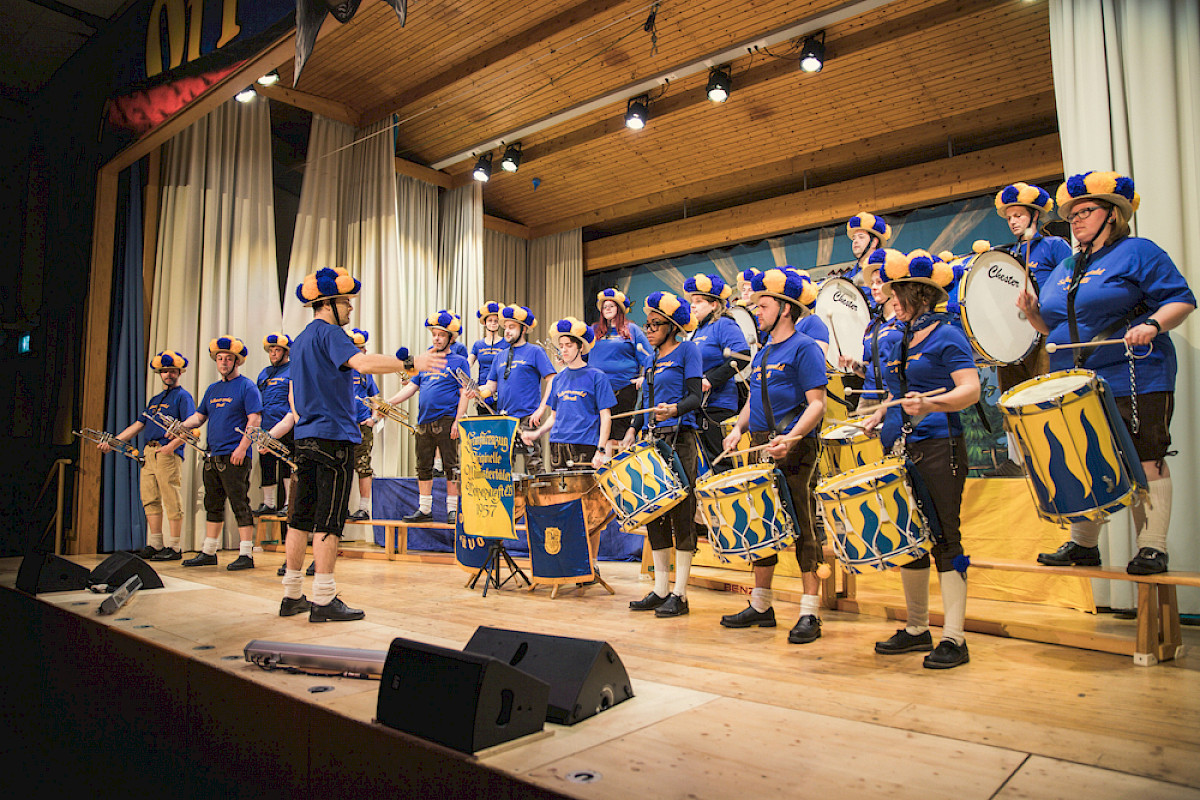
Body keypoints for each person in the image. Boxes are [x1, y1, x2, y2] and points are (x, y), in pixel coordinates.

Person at [1017, 171, 1195, 575]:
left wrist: (1153, 325)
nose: (1075, 220)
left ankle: (1152, 547)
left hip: (1134, 372)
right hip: (1074, 382)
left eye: (1085, 211)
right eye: (1072, 214)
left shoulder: (1138, 251)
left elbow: (1181, 300)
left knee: (1145, 457)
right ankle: (1084, 546)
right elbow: (1053, 326)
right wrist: (1032, 313)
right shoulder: (1067, 265)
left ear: (1112, 214)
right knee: (1086, 458)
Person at [270, 267, 444, 622]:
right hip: (333, 437)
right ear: (328, 304)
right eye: (346, 302)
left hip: (305, 437)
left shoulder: (300, 340)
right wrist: (412, 362)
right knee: (329, 521)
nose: (350, 308)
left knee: (299, 518)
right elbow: (362, 363)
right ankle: (323, 599)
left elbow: (294, 394)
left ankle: (292, 595)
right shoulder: (332, 333)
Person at [864, 250, 981, 669]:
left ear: (920, 295)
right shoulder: (897, 337)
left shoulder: (947, 335)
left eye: (898, 293)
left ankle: (955, 638)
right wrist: (881, 413)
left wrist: (931, 404)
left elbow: (970, 389)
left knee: (947, 540)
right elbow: (897, 393)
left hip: (939, 446)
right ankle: (917, 629)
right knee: (910, 541)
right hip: (900, 448)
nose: (891, 299)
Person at [718, 268, 828, 643]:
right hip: (761, 445)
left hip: (795, 447)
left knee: (803, 526)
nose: (757, 312)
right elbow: (754, 399)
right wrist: (738, 429)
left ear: (785, 308)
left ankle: (810, 613)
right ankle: (761, 606)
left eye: (763, 306)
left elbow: (817, 404)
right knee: (761, 524)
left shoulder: (805, 347)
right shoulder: (764, 351)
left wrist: (793, 439)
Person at [625, 291, 702, 618]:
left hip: (681, 438)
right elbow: (643, 400)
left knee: (682, 513)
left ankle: (680, 593)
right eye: (648, 324)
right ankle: (660, 589)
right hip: (653, 441)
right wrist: (632, 429)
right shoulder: (652, 360)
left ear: (672, 326)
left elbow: (696, 396)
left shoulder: (688, 350)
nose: (650, 329)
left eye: (655, 324)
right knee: (654, 512)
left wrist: (675, 410)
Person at [989, 182, 1073, 475]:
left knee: (1044, 393)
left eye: (1019, 215)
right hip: (1012, 338)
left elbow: (1069, 281)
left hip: (1044, 332)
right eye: (1009, 217)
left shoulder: (1053, 246)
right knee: (1012, 395)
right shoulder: (1007, 255)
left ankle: (1055, 457)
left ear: (1034, 215)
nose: (1013, 221)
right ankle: (1019, 462)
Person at [99, 350, 195, 561]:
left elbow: (191, 428)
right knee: (150, 497)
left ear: (179, 372)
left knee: (171, 498)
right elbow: (138, 424)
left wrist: (171, 447)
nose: (168, 374)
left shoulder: (183, 397)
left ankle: (175, 547)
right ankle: (156, 543)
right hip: (149, 452)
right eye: (164, 371)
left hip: (166, 451)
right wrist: (114, 441)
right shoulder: (155, 399)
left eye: (172, 371)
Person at [179, 336, 263, 570]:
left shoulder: (247, 386)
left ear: (237, 361)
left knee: (239, 503)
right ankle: (209, 551)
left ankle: (246, 554)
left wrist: (242, 448)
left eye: (228, 358)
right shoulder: (213, 389)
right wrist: (180, 426)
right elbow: (199, 417)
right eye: (220, 358)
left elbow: (255, 419)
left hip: (235, 455)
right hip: (212, 455)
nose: (223, 362)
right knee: (212, 503)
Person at [389, 311, 470, 525]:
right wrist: (389, 402)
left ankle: (452, 509)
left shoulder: (460, 361)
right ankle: (425, 509)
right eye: (434, 334)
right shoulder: (425, 360)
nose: (436, 338)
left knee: (451, 466)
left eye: (441, 335)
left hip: (447, 419)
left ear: (450, 338)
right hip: (424, 420)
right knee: (423, 465)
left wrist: (458, 420)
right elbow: (412, 387)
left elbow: (464, 393)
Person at [522, 317, 616, 471]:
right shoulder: (558, 379)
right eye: (561, 346)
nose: (564, 350)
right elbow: (554, 417)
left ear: (580, 347)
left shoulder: (597, 376)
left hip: (584, 444)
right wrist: (536, 433)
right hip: (557, 445)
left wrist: (601, 450)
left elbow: (606, 416)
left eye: (569, 345)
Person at [478, 305, 556, 474]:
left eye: (512, 327)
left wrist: (542, 409)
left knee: (535, 466)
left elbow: (552, 380)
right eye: (505, 327)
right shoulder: (499, 356)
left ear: (524, 329)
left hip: (528, 418)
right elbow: (491, 386)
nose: (507, 331)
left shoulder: (535, 351)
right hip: (504, 418)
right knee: (502, 468)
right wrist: (476, 391)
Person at [685, 273, 750, 468]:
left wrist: (710, 380)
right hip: (699, 407)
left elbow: (742, 355)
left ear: (714, 304)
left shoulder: (724, 324)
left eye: (699, 301)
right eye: (692, 301)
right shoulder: (697, 331)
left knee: (722, 465)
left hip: (718, 407)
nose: (693, 306)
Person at [839, 249, 906, 413]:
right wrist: (854, 365)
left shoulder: (905, 321)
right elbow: (870, 369)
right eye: (872, 283)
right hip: (868, 397)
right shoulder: (872, 325)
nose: (874, 287)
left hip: (895, 396)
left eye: (879, 282)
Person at [589, 289, 653, 456]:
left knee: (619, 433)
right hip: (596, 391)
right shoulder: (593, 330)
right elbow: (579, 352)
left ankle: (619, 467)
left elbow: (649, 357)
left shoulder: (632, 330)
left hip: (623, 389)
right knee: (598, 433)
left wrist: (643, 377)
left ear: (619, 308)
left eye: (611, 306)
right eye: (604, 307)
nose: (607, 309)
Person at [255, 333, 293, 516]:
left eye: (277, 350)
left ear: (286, 352)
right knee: (266, 464)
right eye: (271, 350)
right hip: (266, 427)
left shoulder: (293, 370)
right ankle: (268, 503)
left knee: (287, 464)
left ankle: (288, 503)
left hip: (287, 426)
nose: (273, 353)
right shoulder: (264, 373)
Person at [348, 328, 380, 522]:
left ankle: (363, 508)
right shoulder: (338, 371)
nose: (365, 351)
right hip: (343, 427)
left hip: (362, 426)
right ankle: (341, 507)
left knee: (363, 466)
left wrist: (373, 419)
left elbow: (376, 398)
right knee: (342, 468)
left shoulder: (365, 373)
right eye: (360, 348)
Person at [470, 301, 508, 412]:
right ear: (485, 323)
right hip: (482, 391)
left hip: (500, 390)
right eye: (490, 320)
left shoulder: (506, 343)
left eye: (496, 321)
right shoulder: (478, 344)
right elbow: (468, 363)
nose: (493, 323)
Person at [844, 211, 892, 289]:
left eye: (861, 237)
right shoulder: (846, 277)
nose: (855, 241)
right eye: (854, 238)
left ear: (874, 242)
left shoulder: (885, 272)